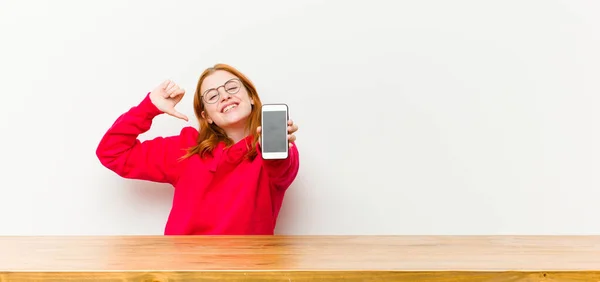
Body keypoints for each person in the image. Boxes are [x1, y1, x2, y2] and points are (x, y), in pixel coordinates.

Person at [95, 63, 300, 235]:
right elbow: (112, 152)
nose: (224, 96)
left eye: (232, 87)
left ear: (252, 98)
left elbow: (280, 168)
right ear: (207, 116)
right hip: (184, 271)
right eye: (212, 96)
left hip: (246, 271)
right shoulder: (186, 149)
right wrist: (149, 107)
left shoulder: (273, 152)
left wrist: (274, 146)